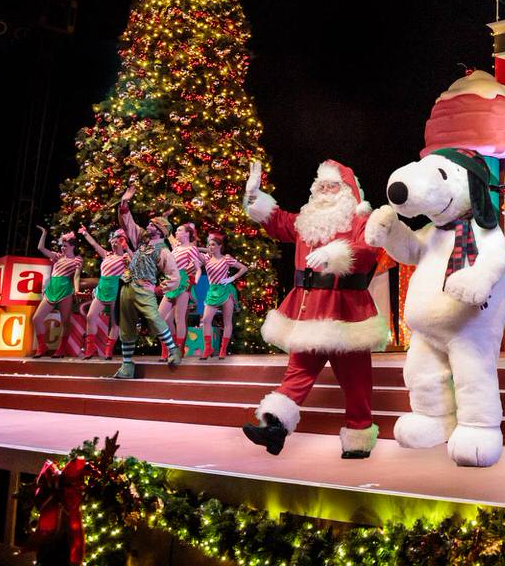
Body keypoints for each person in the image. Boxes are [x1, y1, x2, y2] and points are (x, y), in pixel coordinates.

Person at [241, 159, 389, 458]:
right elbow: (278, 222)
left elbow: (369, 249)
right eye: (320, 185)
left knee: (356, 382)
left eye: (331, 185)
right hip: (307, 312)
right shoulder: (306, 222)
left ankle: (358, 439)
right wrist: (255, 197)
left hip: (346, 312)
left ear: (347, 190)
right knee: (297, 373)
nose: (324, 190)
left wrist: (335, 253)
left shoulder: (360, 220)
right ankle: (274, 430)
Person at [114, 182, 183, 378]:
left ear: (161, 231)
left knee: (154, 318)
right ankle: (127, 365)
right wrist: (125, 201)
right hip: (128, 286)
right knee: (126, 324)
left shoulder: (163, 251)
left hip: (145, 289)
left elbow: (174, 277)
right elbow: (127, 222)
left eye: (153, 224)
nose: (149, 225)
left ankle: (173, 349)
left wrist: (157, 290)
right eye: (150, 223)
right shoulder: (141, 240)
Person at [78, 226, 128, 360]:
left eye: (115, 241)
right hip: (102, 289)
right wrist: (85, 233)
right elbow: (94, 244)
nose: (112, 243)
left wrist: (127, 248)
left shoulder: (125, 257)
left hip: (116, 290)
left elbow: (135, 262)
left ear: (122, 241)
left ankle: (108, 350)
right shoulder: (107, 254)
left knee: (115, 322)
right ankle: (90, 348)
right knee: (90, 316)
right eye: (111, 242)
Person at [32, 228, 82, 358]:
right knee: (36, 319)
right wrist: (44, 234)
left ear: (72, 246)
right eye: (62, 246)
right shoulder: (57, 256)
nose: (62, 248)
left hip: (65, 291)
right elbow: (41, 248)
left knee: (65, 322)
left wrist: (76, 290)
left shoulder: (77, 260)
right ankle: (42, 347)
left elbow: (76, 276)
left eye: (65, 246)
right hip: (51, 290)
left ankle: (61, 349)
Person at [199, 231, 246, 359]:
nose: (210, 247)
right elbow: (194, 250)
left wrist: (232, 278)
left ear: (220, 246)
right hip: (212, 291)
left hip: (225, 290)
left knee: (227, 322)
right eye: (209, 245)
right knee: (206, 320)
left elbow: (244, 268)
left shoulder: (226, 259)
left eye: (213, 245)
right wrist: (205, 249)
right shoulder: (206, 258)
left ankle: (223, 350)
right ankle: (208, 348)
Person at [159, 223, 203, 361]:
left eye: (179, 230)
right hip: (171, 281)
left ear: (187, 234)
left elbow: (198, 268)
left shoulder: (191, 249)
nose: (177, 233)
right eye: (176, 230)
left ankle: (178, 350)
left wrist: (194, 281)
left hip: (183, 282)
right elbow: (169, 235)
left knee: (179, 319)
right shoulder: (176, 248)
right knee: (160, 317)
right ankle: (168, 348)